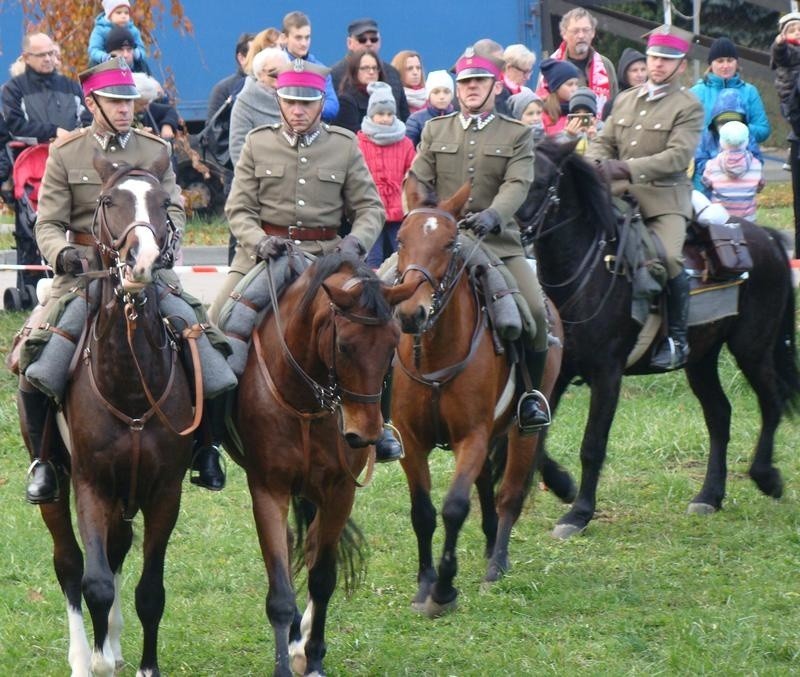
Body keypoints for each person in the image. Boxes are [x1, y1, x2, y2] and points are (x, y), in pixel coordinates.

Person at [22, 58, 225, 503]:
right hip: (85, 273)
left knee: (207, 349)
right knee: (36, 360)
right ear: (91, 101)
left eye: (129, 101)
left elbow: (172, 205)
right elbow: (48, 223)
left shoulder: (155, 150)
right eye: (114, 101)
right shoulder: (67, 152)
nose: (124, 109)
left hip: (147, 270)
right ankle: (43, 460)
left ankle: (206, 448)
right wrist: (63, 254)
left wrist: (169, 242)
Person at [207, 59, 401, 461]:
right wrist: (258, 240)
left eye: (307, 103)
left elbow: (370, 209)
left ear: (321, 103)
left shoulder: (343, 144)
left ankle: (381, 425)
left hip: (327, 258)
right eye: (291, 101)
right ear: (279, 101)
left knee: (378, 327)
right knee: (217, 322)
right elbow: (238, 209)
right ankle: (211, 438)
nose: (298, 110)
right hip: (265, 256)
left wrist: (355, 244)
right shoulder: (258, 142)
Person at [410, 47, 551, 432]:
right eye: (465, 82)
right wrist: (430, 219)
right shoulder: (435, 130)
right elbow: (418, 178)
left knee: (535, 314)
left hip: (497, 243)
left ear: (495, 86)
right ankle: (388, 406)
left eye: (479, 82)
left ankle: (528, 397)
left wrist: (495, 214)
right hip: (441, 243)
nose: (471, 88)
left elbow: (518, 183)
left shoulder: (517, 133)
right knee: (386, 298)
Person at [585, 25, 704, 371]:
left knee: (667, 258)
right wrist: (591, 164)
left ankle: (677, 339)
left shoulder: (688, 106)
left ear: (681, 65)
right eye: (654, 57)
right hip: (617, 194)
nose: (658, 65)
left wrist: (623, 168)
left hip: (664, 199)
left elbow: (676, 158)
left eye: (667, 60)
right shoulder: (625, 98)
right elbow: (604, 141)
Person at [356, 81, 416, 267]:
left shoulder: (404, 143)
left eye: (390, 114)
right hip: (371, 210)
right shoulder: (359, 142)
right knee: (372, 258)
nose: (385, 118)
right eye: (380, 114)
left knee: (402, 254)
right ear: (371, 114)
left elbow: (412, 173)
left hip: (398, 210)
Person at [2, 32, 88, 144]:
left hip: (73, 153)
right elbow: (16, 128)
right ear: (26, 57)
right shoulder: (13, 89)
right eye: (41, 55)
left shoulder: (71, 85)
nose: (47, 59)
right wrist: (53, 132)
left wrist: (76, 137)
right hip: (33, 157)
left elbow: (88, 120)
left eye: (51, 53)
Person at [690, 37, 770, 148]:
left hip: (743, 160)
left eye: (730, 60)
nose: (725, 66)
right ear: (711, 64)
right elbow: (686, 130)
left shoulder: (750, 91)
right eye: (720, 61)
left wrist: (740, 128)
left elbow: (763, 131)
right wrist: (715, 130)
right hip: (706, 159)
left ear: (736, 63)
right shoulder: (696, 92)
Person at [538, 8, 617, 120]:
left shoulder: (605, 65)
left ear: (593, 32)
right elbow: (540, 103)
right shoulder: (552, 66)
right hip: (560, 131)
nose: (581, 35)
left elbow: (614, 105)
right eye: (575, 31)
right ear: (564, 34)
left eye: (586, 30)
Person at [330, 18, 410, 122]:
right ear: (349, 43)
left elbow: (404, 115)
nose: (368, 43)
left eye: (373, 39)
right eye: (362, 40)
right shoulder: (335, 74)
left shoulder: (392, 73)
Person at [692, 88, 764, 194]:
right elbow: (699, 159)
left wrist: (751, 173)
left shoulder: (747, 137)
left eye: (734, 122)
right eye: (723, 122)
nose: (727, 127)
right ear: (715, 123)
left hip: (742, 192)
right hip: (714, 193)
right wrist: (715, 170)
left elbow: (757, 159)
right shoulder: (707, 138)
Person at [771, 11, 800, 255]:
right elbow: (778, 55)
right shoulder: (786, 52)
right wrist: (781, 43)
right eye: (793, 31)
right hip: (792, 97)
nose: (797, 34)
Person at [228, 47, 288, 167]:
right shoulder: (245, 102)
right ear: (260, 74)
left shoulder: (295, 97)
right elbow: (238, 149)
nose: (279, 76)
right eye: (273, 72)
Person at [280, 11, 339, 122]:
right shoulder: (275, 66)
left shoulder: (319, 69)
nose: (304, 43)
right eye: (298, 37)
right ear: (284, 38)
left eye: (307, 37)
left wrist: (308, 108)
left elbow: (332, 106)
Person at [701, 120, 763, 219]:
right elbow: (759, 186)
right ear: (746, 141)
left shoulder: (712, 165)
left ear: (721, 142)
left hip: (720, 219)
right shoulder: (756, 164)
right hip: (748, 219)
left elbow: (706, 184)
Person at [332, 50, 386, 133]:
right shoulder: (346, 100)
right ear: (354, 71)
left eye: (374, 68)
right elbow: (350, 136)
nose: (371, 72)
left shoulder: (385, 96)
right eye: (365, 68)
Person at [206, 32, 254, 122]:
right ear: (241, 58)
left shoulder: (272, 87)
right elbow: (212, 130)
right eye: (255, 54)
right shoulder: (223, 89)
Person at [88, 0, 147, 67]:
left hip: (130, 66)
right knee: (93, 62)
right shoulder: (100, 30)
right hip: (106, 66)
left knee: (143, 64)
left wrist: (136, 53)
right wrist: (104, 57)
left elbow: (141, 48)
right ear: (109, 15)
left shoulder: (133, 30)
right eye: (119, 13)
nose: (123, 16)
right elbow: (94, 50)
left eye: (126, 13)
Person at [405, 69, 455, 147]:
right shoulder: (416, 119)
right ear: (428, 95)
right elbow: (409, 149)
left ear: (452, 95)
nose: (442, 96)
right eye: (436, 92)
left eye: (446, 92)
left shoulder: (459, 118)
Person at [131, 72, 180, 142]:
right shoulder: (122, 119)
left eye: (148, 103)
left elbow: (169, 110)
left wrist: (167, 125)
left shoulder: (147, 107)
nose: (146, 107)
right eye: (142, 104)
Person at [538, 58, 581, 136]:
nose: (575, 89)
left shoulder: (580, 108)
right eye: (570, 84)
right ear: (556, 87)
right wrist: (567, 136)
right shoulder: (541, 112)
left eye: (576, 84)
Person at [602, 47, 647, 118]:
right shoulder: (613, 105)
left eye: (643, 69)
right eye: (634, 70)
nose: (640, 75)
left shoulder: (652, 100)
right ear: (624, 74)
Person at [562, 86, 601, 153]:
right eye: (577, 113)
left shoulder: (601, 130)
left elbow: (601, 158)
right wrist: (569, 137)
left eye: (586, 113)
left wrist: (594, 139)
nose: (581, 117)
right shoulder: (566, 132)